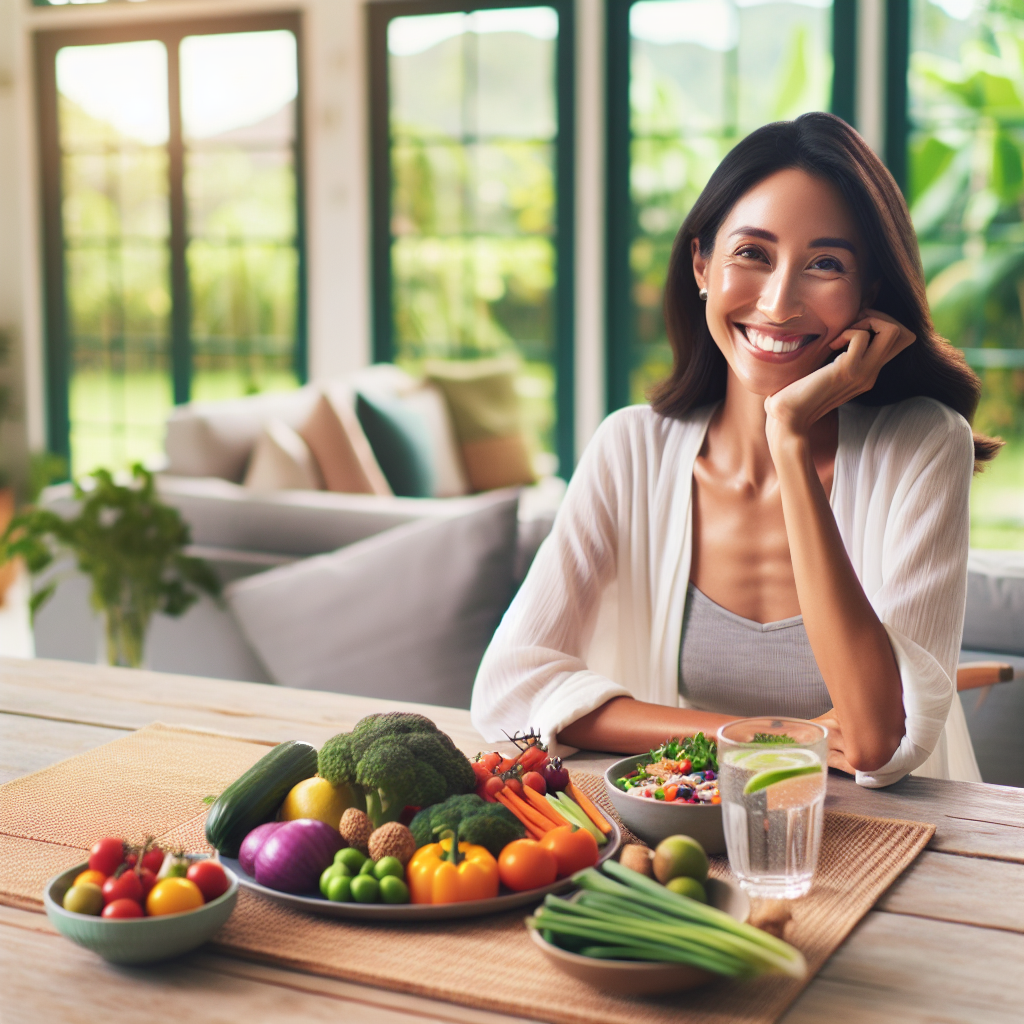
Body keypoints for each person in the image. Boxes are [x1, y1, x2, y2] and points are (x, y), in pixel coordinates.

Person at [470, 112, 998, 787]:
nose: (779, 302)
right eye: (753, 253)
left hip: (894, 846)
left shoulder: (923, 444)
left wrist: (789, 434)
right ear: (701, 264)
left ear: (868, 293)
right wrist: (766, 738)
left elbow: (871, 742)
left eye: (825, 264)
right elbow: (509, 693)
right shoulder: (630, 449)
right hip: (687, 833)